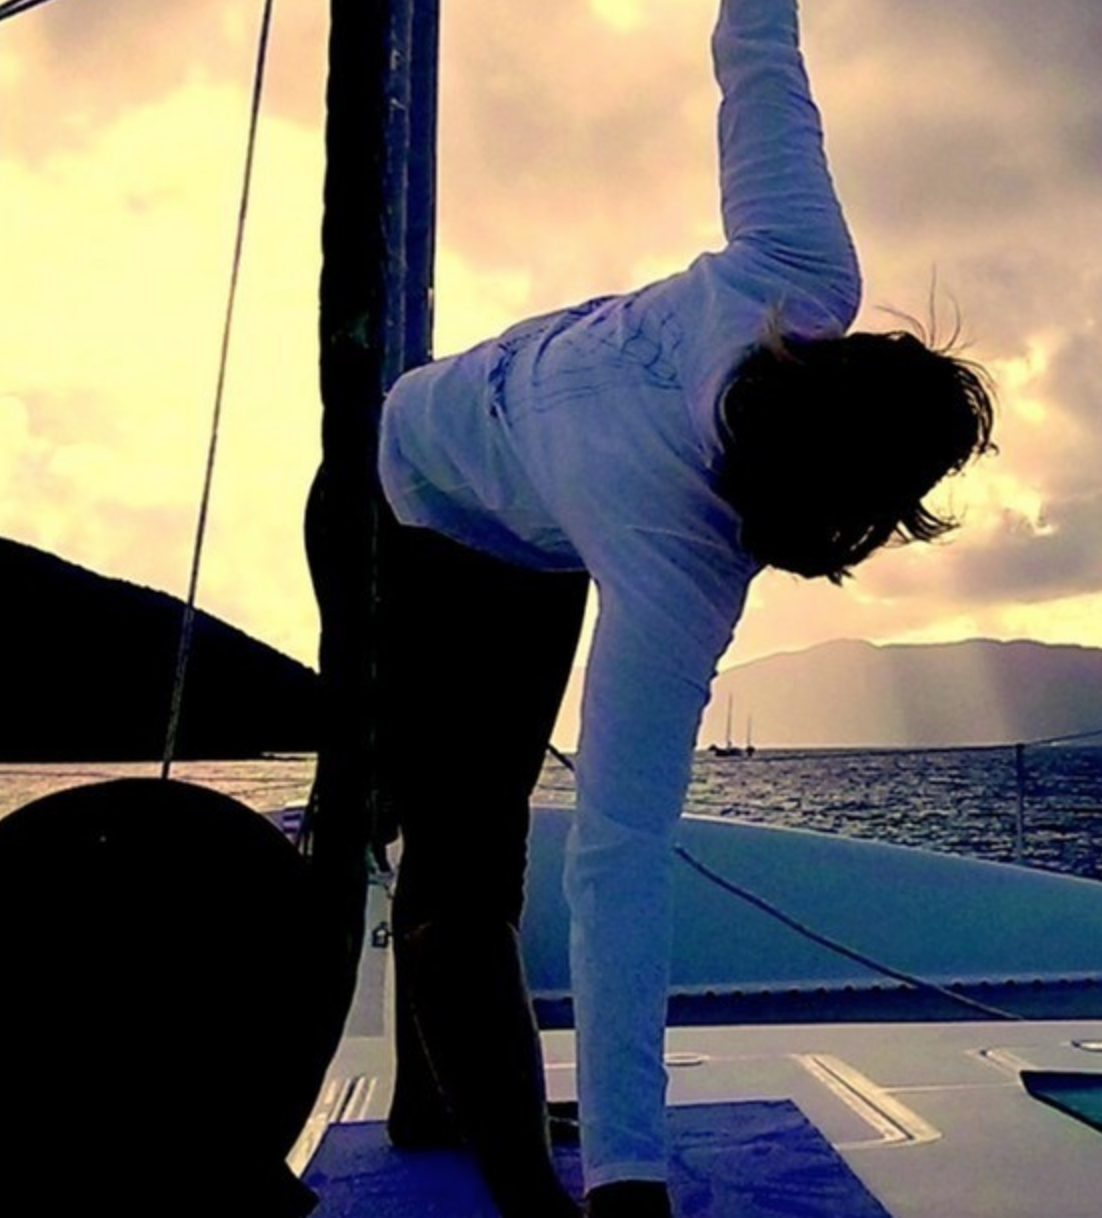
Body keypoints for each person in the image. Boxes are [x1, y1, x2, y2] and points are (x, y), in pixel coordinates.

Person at [303, 0, 995, 1214]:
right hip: (390, 505)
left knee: (491, 837)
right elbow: (622, 859)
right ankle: (527, 1192)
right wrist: (625, 1182)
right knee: (445, 855)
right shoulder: (677, 551)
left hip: (532, 525)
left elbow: (757, 58)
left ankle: (433, 1092)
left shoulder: (798, 270)